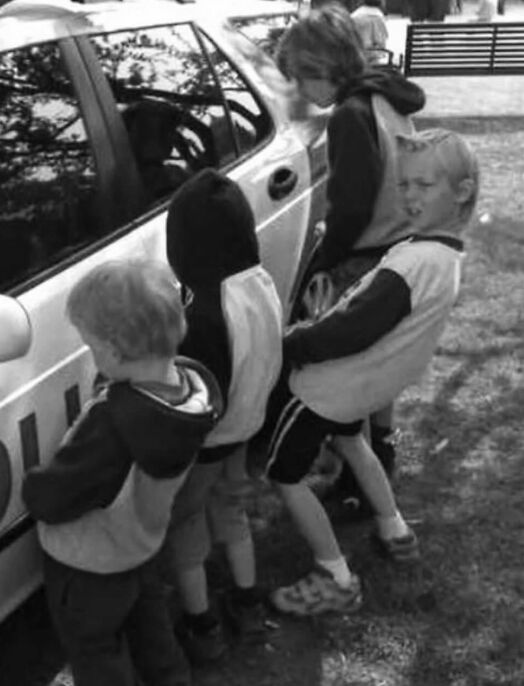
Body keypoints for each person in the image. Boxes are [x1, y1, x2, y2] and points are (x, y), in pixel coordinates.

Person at [265, 128, 479, 616]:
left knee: (285, 476)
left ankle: (334, 575)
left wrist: (292, 342)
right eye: (405, 185)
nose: (409, 196)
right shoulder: (444, 256)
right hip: (368, 386)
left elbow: (349, 331)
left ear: (462, 191)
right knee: (353, 441)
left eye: (424, 186)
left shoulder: (411, 264)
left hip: (325, 387)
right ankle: (394, 529)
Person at [21, 258, 223, 686]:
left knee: (97, 653)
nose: (92, 356)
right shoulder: (189, 392)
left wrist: (33, 486)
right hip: (141, 548)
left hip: (87, 568)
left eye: (91, 347)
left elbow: (57, 496)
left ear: (113, 351)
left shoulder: (113, 425)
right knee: (152, 634)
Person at [275, 3, 426, 519]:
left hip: (367, 258)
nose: (300, 93)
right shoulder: (387, 95)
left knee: (353, 368)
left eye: (299, 79)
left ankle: (359, 474)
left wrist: (326, 252)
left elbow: (353, 205)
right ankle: (381, 451)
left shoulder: (349, 116)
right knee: (381, 364)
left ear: (321, 70)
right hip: (403, 245)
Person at [164, 169, 283, 663]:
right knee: (232, 509)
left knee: (187, 521)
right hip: (247, 423)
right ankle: (248, 601)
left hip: (209, 439)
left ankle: (201, 623)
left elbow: (199, 393)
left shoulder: (204, 312)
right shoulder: (259, 281)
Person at [351, 0, 389, 65]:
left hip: (355, 55)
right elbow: (381, 42)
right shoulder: (378, 16)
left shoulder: (354, 15)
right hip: (372, 57)